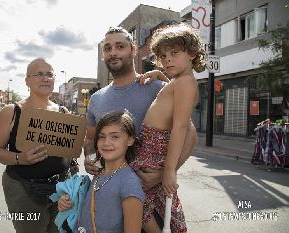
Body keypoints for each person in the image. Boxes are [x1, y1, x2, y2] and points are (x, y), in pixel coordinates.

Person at [84, 26, 198, 230]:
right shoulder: (96, 98)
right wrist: (89, 159)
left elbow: (189, 134)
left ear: (133, 50)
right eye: (108, 48)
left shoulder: (156, 87)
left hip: (150, 194)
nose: (113, 52)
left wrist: (165, 173)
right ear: (103, 55)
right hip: (110, 200)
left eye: (120, 46)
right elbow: (90, 140)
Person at [130, 23, 206, 233]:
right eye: (163, 56)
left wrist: (169, 171)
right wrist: (159, 74)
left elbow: (180, 127)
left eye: (174, 53)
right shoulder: (180, 80)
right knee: (158, 205)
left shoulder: (185, 83)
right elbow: (172, 95)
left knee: (138, 200)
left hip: (153, 151)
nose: (167, 59)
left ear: (191, 53)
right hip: (150, 149)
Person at [0, 58, 72, 233]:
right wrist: (19, 158)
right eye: (39, 74)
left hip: (62, 190)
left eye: (49, 74)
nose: (45, 78)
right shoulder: (12, 111)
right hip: (24, 190)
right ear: (27, 81)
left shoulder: (63, 112)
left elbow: (71, 148)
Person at [59, 111, 145, 233]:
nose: (106, 142)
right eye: (101, 136)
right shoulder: (100, 172)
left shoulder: (129, 184)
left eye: (115, 136)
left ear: (130, 140)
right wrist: (68, 203)